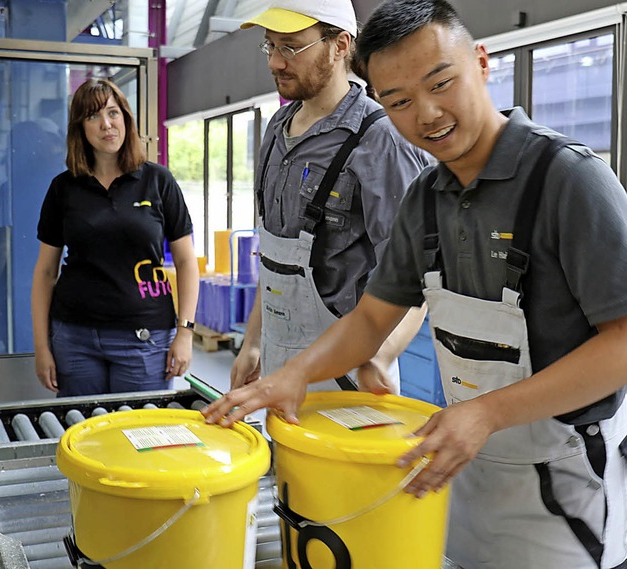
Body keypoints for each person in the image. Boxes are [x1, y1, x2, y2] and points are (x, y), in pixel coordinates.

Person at [204, 1, 627, 567]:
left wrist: (486, 412)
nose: (425, 114)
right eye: (397, 101)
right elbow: (374, 318)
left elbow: (623, 342)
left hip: (565, 483)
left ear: (482, 62)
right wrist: (295, 374)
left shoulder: (568, 181)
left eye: (441, 83)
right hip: (460, 466)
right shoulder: (427, 198)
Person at [232, 0, 431, 394]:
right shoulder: (277, 129)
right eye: (270, 46)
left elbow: (419, 275)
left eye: (290, 47)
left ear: (340, 45)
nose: (275, 62)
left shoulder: (380, 141)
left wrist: (382, 355)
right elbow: (277, 256)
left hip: (348, 375)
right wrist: (253, 341)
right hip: (277, 362)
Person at [31, 78, 199, 397]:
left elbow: (187, 261)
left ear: (126, 118)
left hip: (146, 337)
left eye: (113, 113)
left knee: (138, 438)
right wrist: (42, 346)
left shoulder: (157, 180)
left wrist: (186, 333)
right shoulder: (63, 188)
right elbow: (45, 272)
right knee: (84, 437)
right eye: (93, 116)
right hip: (75, 338)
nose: (106, 124)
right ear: (80, 128)